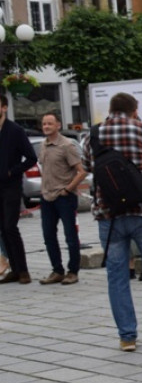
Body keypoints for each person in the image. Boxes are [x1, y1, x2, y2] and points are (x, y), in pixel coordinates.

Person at [82, 92, 142, 351]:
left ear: (111, 110)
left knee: (116, 275)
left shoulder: (94, 134)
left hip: (109, 213)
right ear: (134, 110)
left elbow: (87, 164)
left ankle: (127, 337)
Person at [37, 112, 86, 285]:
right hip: (47, 197)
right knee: (48, 235)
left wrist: (68, 189)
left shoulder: (67, 145)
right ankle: (57, 270)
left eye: (50, 123)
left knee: (70, 236)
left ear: (58, 125)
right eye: (44, 124)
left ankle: (73, 271)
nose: (46, 126)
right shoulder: (43, 145)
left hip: (64, 197)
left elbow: (82, 172)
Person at [0, 94, 38, 284]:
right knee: (2, 228)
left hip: (11, 186)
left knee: (10, 226)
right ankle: (14, 270)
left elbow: (31, 158)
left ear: (4, 108)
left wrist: (11, 172)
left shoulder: (15, 130)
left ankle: (23, 271)